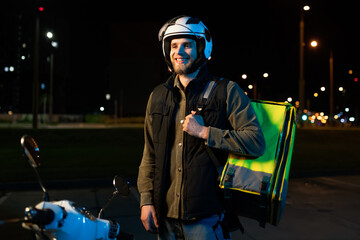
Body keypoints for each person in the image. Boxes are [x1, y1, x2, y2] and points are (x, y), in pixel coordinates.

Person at [137, 15, 266, 240]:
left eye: (187, 45)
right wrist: (146, 201)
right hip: (165, 217)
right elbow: (150, 154)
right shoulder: (157, 96)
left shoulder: (226, 90)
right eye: (174, 46)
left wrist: (205, 132)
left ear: (201, 49)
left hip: (207, 219)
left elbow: (255, 141)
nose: (179, 52)